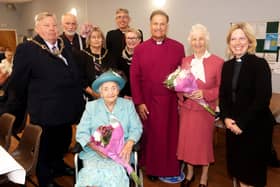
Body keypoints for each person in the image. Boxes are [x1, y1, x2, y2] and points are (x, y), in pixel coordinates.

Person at [7, 12, 84, 187]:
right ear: (37, 28)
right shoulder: (27, 49)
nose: (51, 29)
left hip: (66, 109)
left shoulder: (63, 45)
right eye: (46, 25)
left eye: (54, 25)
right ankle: (44, 176)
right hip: (45, 110)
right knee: (45, 146)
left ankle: (58, 166)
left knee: (63, 141)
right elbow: (18, 81)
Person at [130, 9, 185, 183]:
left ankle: (170, 167)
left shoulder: (178, 47)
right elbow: (134, 77)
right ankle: (152, 168)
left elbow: (182, 76)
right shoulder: (140, 49)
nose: (159, 27)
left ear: (167, 26)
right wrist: (139, 102)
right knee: (152, 136)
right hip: (148, 101)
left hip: (169, 101)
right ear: (150, 25)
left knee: (169, 136)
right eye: (155, 23)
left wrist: (180, 99)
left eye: (162, 24)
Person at [219, 22, 275, 187]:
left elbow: (262, 99)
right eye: (233, 39)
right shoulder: (227, 66)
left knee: (251, 175)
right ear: (229, 43)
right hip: (233, 127)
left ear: (249, 41)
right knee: (237, 170)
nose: (237, 43)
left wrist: (241, 123)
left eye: (241, 38)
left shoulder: (260, 64)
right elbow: (223, 95)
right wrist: (226, 118)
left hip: (254, 128)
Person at [76, 70, 142, 187]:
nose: (110, 92)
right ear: (100, 92)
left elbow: (136, 128)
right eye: (105, 89)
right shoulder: (91, 107)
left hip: (121, 153)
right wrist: (96, 148)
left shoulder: (128, 105)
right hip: (94, 154)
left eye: (113, 88)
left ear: (119, 89)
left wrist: (129, 143)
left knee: (114, 178)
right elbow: (81, 132)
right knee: (92, 181)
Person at [177, 24, 224, 187]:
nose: (198, 42)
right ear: (190, 41)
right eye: (194, 39)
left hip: (205, 111)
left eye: (201, 39)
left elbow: (221, 88)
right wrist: (182, 93)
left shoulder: (217, 62)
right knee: (188, 143)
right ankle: (189, 174)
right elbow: (179, 85)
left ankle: (204, 176)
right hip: (187, 109)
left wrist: (205, 94)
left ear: (206, 40)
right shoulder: (185, 61)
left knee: (203, 145)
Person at [79, 26, 117, 101]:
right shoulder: (82, 55)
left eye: (99, 37)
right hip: (89, 97)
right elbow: (80, 79)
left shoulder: (109, 54)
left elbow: (115, 74)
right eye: (93, 37)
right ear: (89, 40)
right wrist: (93, 93)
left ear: (102, 40)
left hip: (109, 95)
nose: (96, 39)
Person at [118, 28, 142, 98]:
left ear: (139, 40)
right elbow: (117, 79)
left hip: (141, 97)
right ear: (125, 40)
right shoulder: (118, 57)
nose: (131, 41)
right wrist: (123, 95)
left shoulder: (144, 57)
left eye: (134, 38)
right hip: (124, 97)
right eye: (128, 38)